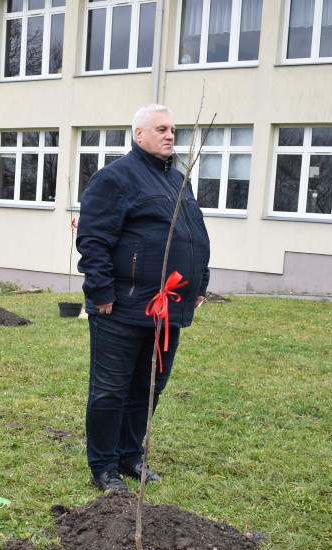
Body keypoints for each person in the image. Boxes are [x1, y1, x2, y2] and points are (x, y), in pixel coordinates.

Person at [76, 103, 211, 493]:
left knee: (149, 386)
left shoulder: (177, 181)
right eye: (161, 129)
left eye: (173, 129)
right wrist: (101, 291)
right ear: (139, 135)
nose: (171, 135)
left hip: (167, 308)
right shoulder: (115, 179)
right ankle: (103, 466)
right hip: (121, 307)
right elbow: (93, 239)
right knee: (110, 389)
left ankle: (130, 456)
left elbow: (194, 236)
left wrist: (199, 283)